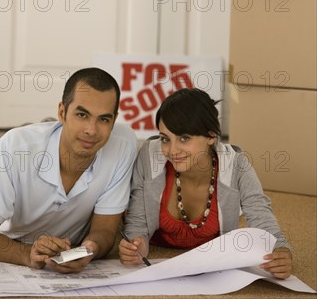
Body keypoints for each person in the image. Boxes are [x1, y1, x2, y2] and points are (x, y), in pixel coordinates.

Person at [0, 67, 137, 273]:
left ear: (114, 120)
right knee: (28, 147)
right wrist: (28, 254)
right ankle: (41, 127)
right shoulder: (14, 146)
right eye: (82, 115)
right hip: (16, 237)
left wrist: (89, 250)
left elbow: (105, 230)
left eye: (104, 119)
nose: (91, 130)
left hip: (73, 241)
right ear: (62, 112)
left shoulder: (123, 143)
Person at [119, 88, 292, 279]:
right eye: (165, 139)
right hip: (160, 256)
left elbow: (260, 212)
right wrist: (137, 244)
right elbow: (137, 220)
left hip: (211, 265)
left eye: (184, 138)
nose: (172, 150)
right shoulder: (149, 156)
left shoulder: (236, 165)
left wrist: (281, 250)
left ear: (211, 136)